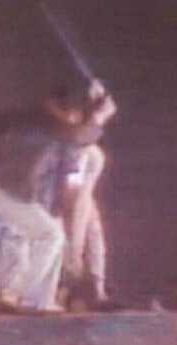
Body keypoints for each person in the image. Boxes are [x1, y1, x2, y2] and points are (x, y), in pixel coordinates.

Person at [0, 77, 116, 312]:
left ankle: (41, 300)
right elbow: (75, 138)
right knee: (51, 235)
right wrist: (99, 116)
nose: (74, 119)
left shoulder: (39, 127)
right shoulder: (45, 126)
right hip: (2, 193)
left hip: (6, 194)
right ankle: (16, 294)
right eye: (74, 113)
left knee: (53, 236)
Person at [62, 79, 117, 305]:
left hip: (85, 193)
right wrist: (100, 113)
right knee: (74, 243)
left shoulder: (84, 137)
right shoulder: (70, 139)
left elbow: (93, 126)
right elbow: (83, 137)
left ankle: (98, 290)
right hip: (74, 193)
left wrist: (98, 99)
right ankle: (66, 290)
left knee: (95, 239)